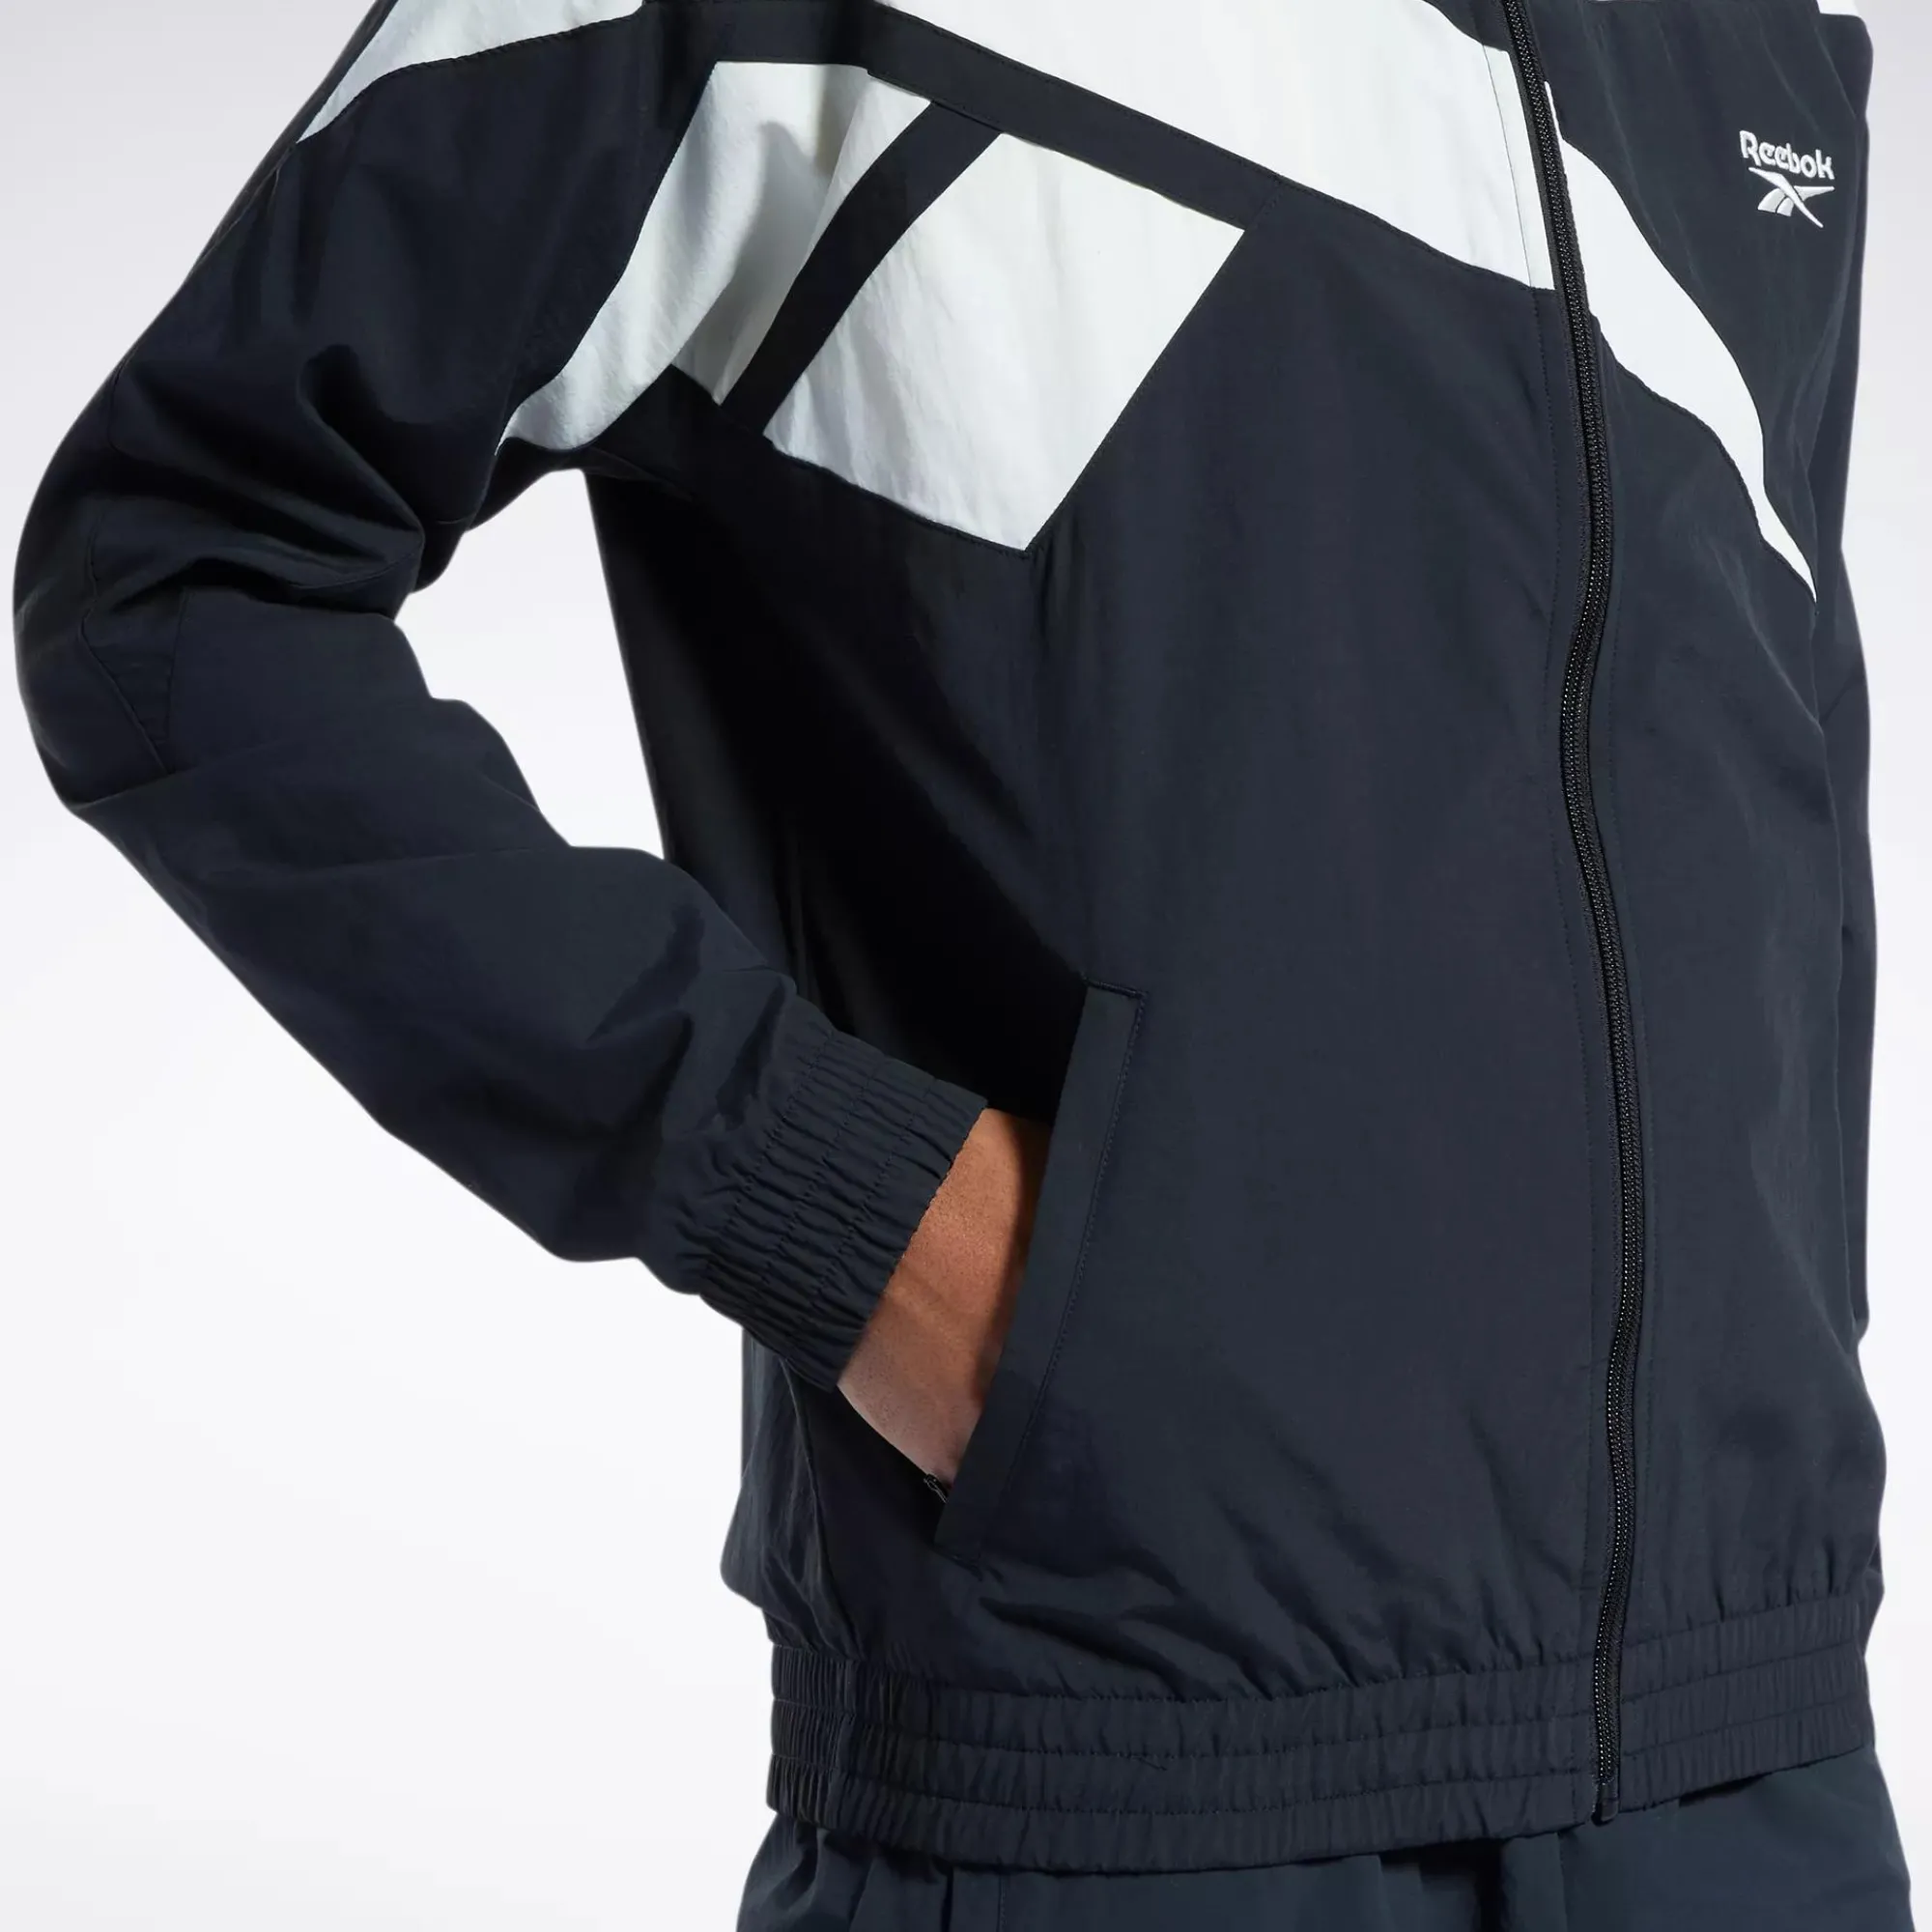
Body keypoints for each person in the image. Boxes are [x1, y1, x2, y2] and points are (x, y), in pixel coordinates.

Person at [13, 0, 1913, 1925]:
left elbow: (1774, 789)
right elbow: (176, 578)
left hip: (1760, 1762)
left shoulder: (1741, 39)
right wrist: (819, 1196)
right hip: (1116, 1759)